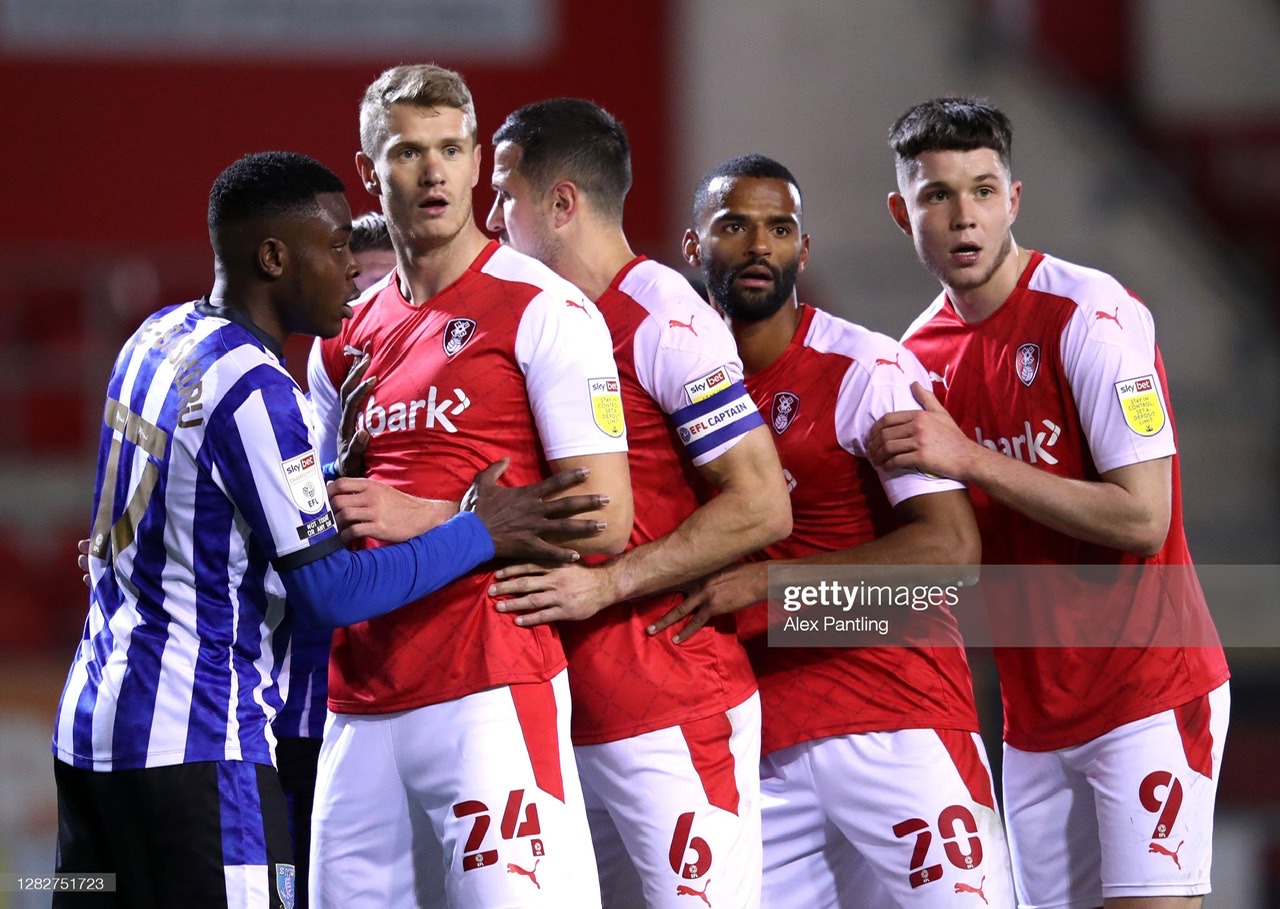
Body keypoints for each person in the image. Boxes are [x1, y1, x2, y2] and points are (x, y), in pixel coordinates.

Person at [52, 151, 609, 909]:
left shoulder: (153, 337)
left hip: (91, 733)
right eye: (340, 246)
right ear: (275, 257)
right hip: (198, 744)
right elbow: (328, 592)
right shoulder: (256, 386)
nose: (353, 271)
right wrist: (477, 529)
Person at [874, 97, 1230, 909]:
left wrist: (968, 458)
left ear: (1015, 199)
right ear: (903, 212)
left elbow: (1144, 516)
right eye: (937, 195)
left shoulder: (1090, 316)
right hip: (1034, 718)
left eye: (983, 190)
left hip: (1148, 688)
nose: (964, 217)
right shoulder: (912, 359)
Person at [305, 65, 635, 909]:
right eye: (408, 152)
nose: (434, 171)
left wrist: (434, 515)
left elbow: (605, 519)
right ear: (368, 167)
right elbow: (321, 519)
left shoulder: (544, 308)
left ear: (480, 158)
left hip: (489, 687)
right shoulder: (341, 339)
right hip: (360, 695)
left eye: (452, 148)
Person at [656, 153, 1015, 907]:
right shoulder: (673, 388)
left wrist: (775, 592)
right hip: (764, 742)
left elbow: (952, 552)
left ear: (803, 251)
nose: (760, 245)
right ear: (693, 248)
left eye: (780, 229)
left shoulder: (863, 367)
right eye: (734, 226)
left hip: (896, 718)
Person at [474, 99, 791, 908]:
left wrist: (608, 584)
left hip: (670, 706)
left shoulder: (664, 314)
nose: (490, 215)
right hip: (566, 711)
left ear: (561, 203)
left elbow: (761, 504)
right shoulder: (538, 324)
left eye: (504, 192)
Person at [271, 205, 400, 909]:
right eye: (361, 300)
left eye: (393, 296)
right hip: (299, 724)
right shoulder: (280, 416)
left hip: (432, 714)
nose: (375, 325)